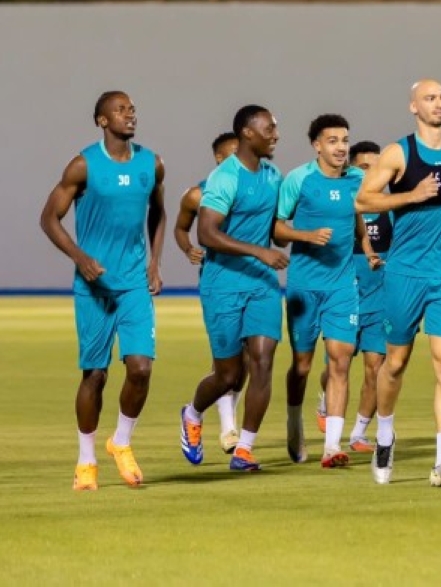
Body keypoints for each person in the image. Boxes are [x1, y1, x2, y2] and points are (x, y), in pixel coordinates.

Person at [40, 91, 166, 490]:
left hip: (133, 285)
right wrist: (80, 257)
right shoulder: (84, 165)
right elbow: (49, 218)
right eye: (120, 110)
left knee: (141, 369)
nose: (130, 114)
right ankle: (86, 461)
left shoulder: (152, 164)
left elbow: (159, 212)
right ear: (102, 120)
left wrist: (154, 263)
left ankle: (121, 442)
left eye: (132, 109)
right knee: (95, 375)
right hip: (94, 287)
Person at [355, 79, 441, 488]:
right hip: (405, 270)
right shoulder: (398, 153)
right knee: (395, 363)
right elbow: (363, 200)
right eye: (430, 98)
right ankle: (385, 434)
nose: (439, 104)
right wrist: (411, 196)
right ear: (413, 106)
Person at [180, 105, 288, 472]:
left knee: (263, 362)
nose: (275, 135)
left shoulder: (273, 176)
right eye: (269, 129)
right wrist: (259, 251)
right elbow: (206, 233)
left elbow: (275, 229)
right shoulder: (225, 177)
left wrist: (305, 233)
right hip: (223, 284)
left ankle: (244, 449)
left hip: (262, 284)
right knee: (228, 375)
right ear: (247, 133)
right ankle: (192, 414)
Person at [275, 114, 365, 468]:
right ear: (317, 145)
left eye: (345, 140)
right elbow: (276, 229)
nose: (341, 147)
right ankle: (294, 421)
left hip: (342, 286)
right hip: (304, 286)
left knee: (341, 360)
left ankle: (332, 446)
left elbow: (361, 219)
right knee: (302, 366)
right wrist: (306, 236)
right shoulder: (299, 179)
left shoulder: (357, 180)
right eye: (333, 140)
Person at [317, 140, 389, 453]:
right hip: (343, 296)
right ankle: (326, 397)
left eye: (376, 169)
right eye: (363, 168)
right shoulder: (339, 206)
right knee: (337, 367)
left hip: (379, 300)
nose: (370, 175)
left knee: (377, 368)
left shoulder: (391, 208)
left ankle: (358, 433)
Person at [174, 131, 243, 454]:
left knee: (250, 359)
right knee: (227, 364)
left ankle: (230, 427)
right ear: (218, 158)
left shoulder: (256, 188)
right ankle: (202, 417)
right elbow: (180, 228)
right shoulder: (196, 195)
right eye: (233, 153)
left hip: (253, 282)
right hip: (219, 283)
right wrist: (188, 247)